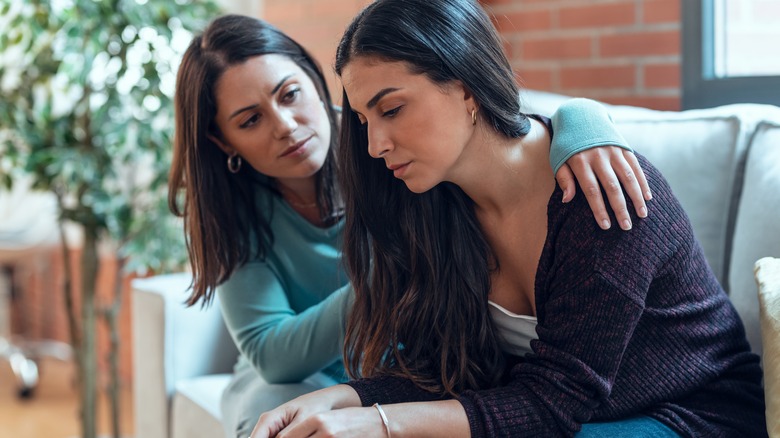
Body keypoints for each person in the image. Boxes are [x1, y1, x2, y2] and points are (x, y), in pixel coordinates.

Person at [248, 1, 767, 437]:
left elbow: (554, 401)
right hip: (581, 416)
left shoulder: (599, 193)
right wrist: (341, 399)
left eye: (393, 109)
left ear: (466, 87)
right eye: (363, 120)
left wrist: (380, 423)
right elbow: (446, 376)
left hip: (691, 415)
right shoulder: (436, 206)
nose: (375, 144)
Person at [168, 13, 653, 438]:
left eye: (290, 94)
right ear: (223, 140)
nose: (287, 126)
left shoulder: (396, 147)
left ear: (314, 81)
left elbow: (496, 118)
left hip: (403, 357)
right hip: (324, 371)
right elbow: (273, 357)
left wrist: (584, 121)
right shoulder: (239, 209)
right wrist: (396, 270)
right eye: (250, 119)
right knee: (269, 406)